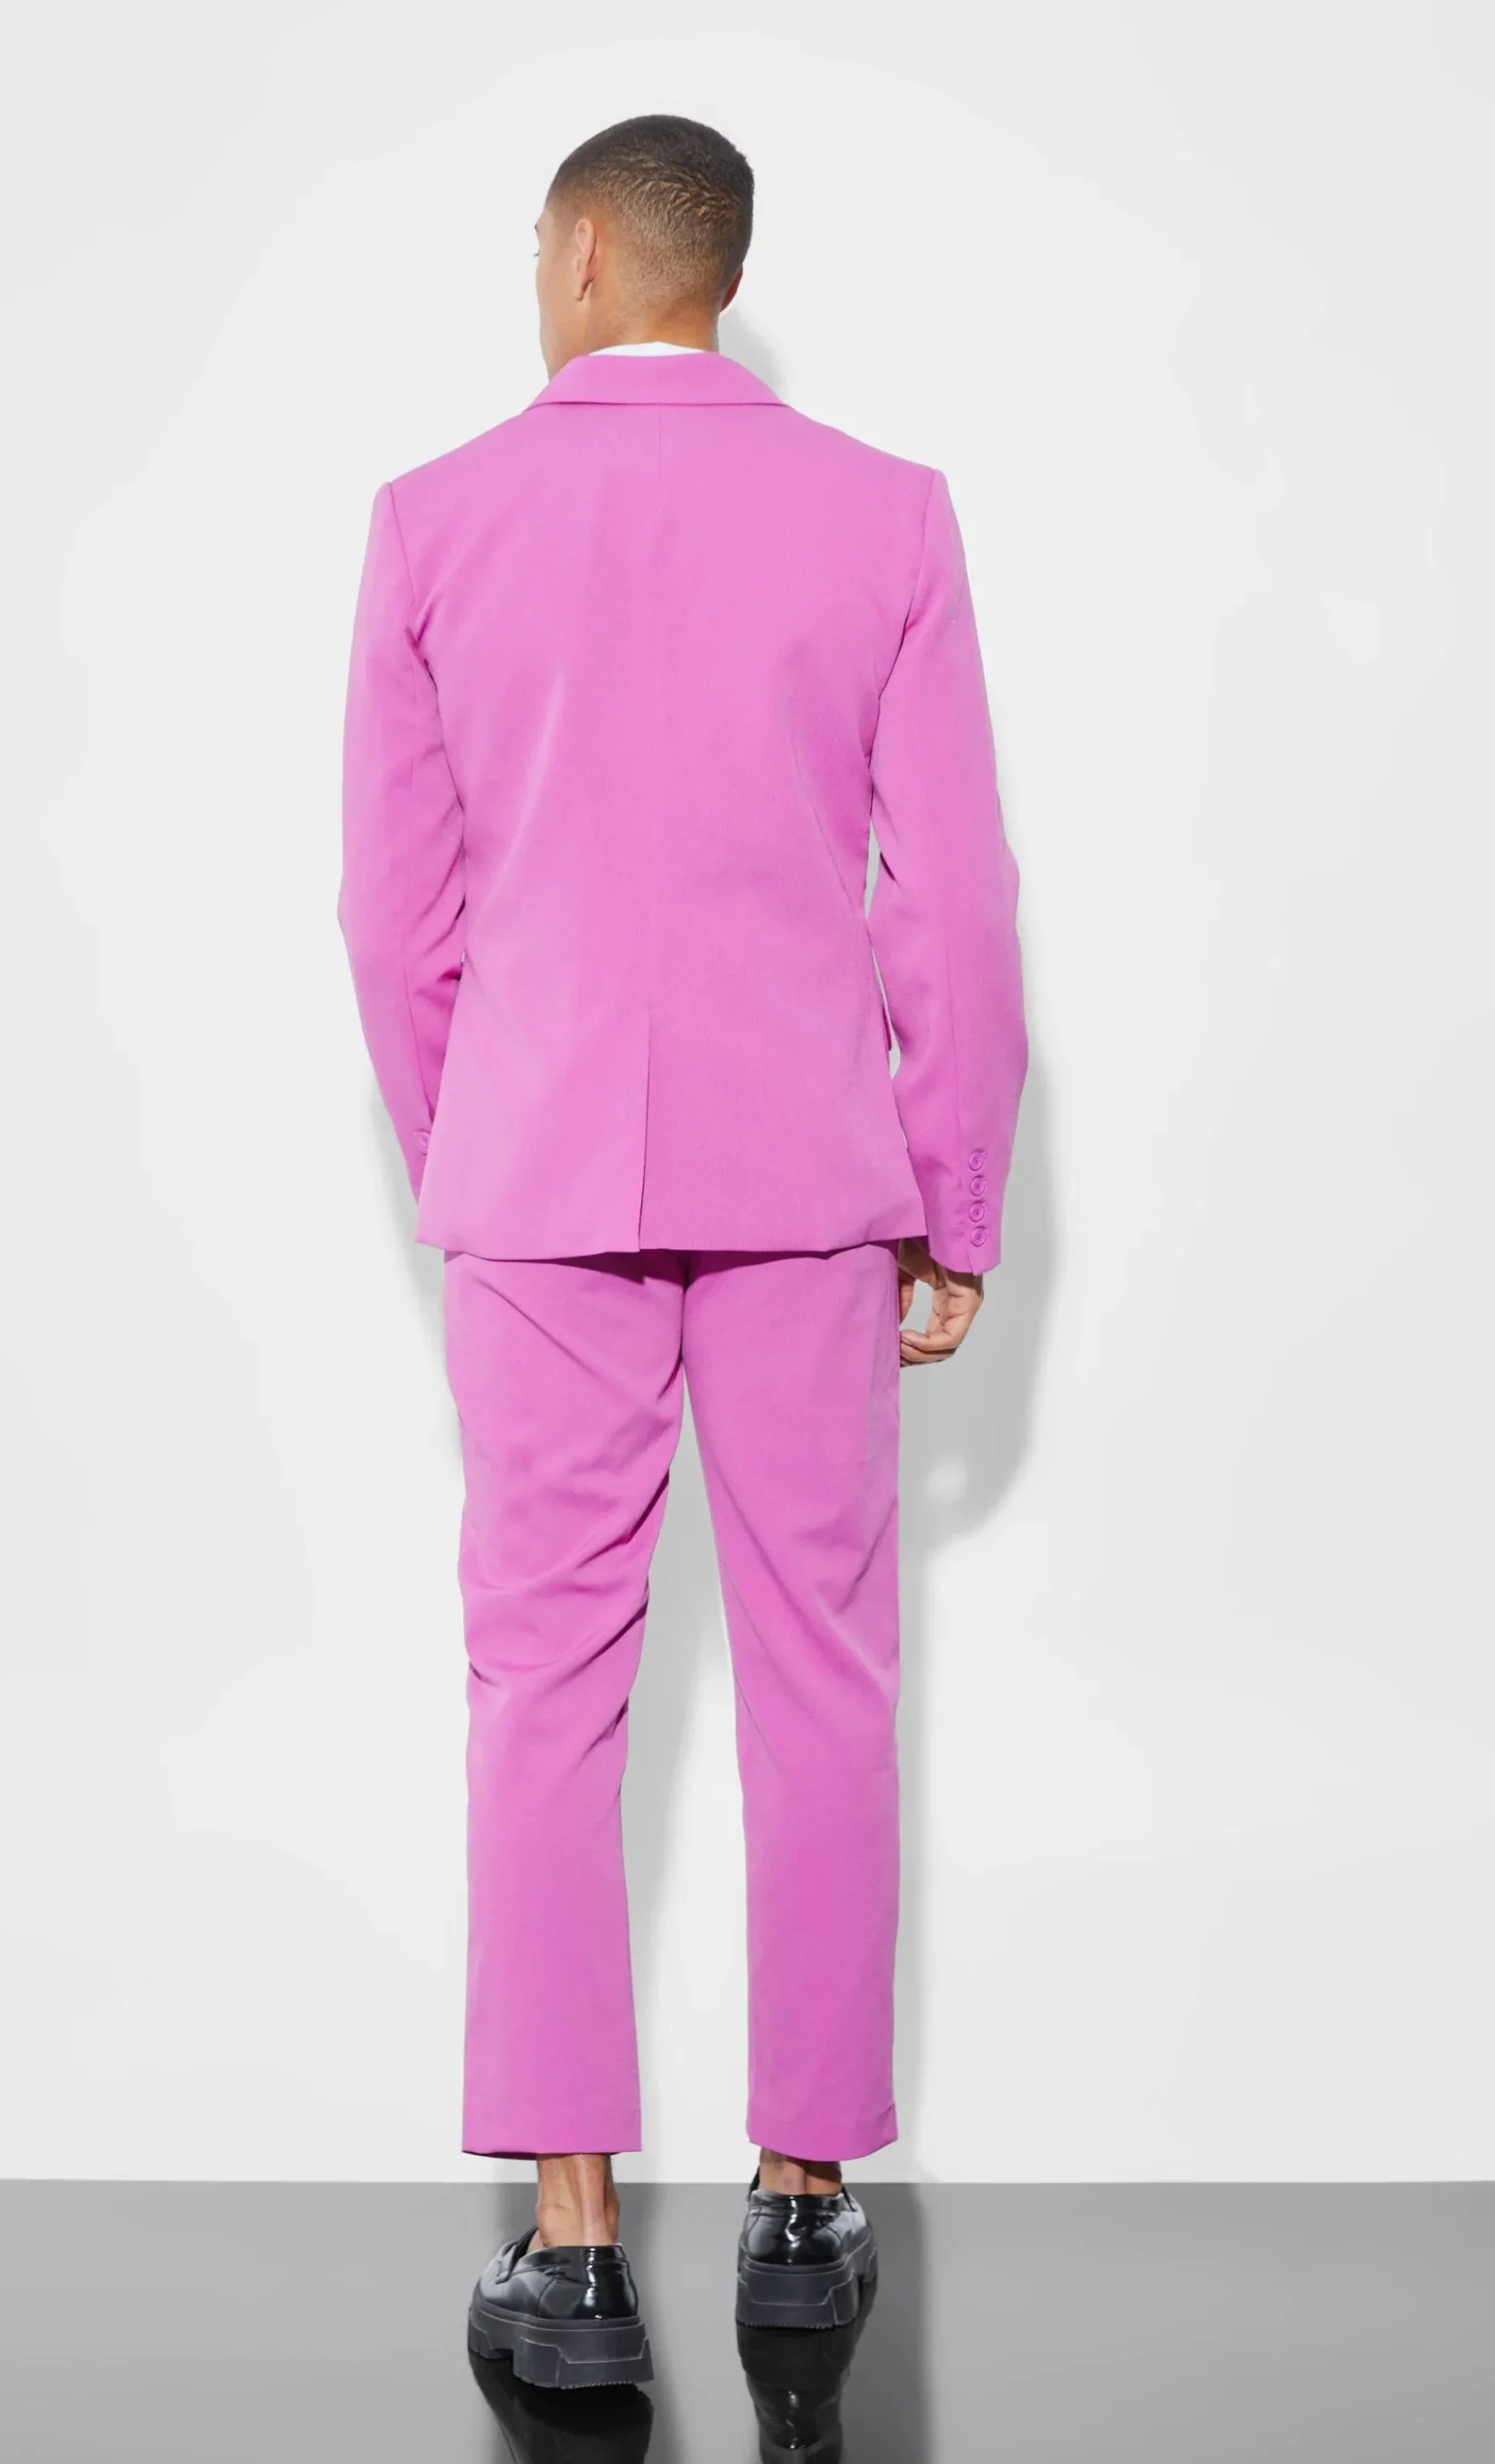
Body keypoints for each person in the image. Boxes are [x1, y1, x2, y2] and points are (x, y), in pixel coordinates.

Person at [340, 112, 1026, 2393]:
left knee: (544, 1688)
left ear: (580, 254)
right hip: (807, 1177)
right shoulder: (885, 512)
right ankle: (803, 2210)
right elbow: (954, 902)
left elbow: (391, 914)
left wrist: (474, 1140)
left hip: (540, 1180)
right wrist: (950, 1190)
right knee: (826, 1673)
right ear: (715, 272)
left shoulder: (435, 516)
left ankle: (567, 2252)